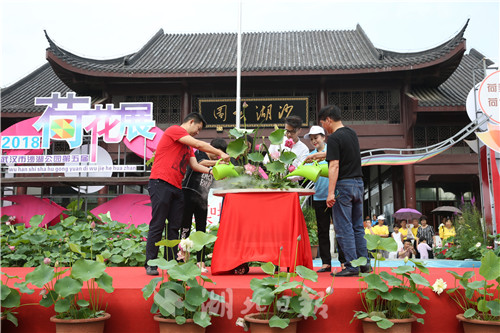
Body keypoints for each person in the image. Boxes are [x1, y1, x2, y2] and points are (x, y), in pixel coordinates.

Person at [145, 113, 230, 276]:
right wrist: (220, 153)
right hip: (160, 182)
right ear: (191, 122)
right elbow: (200, 144)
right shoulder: (174, 130)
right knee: (158, 223)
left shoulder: (187, 147)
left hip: (177, 187)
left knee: (175, 227)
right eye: (198, 129)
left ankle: (171, 263)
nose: (197, 133)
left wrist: (214, 172)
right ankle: (151, 263)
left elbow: (196, 166)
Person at [317, 104, 369, 276]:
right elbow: (341, 153)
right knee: (357, 226)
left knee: (343, 227)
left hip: (343, 186)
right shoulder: (351, 133)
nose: (323, 127)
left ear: (328, 120)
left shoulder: (333, 138)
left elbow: (334, 165)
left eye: (323, 123)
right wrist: (316, 155)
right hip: (358, 184)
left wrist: (330, 193)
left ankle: (351, 266)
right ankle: (363, 264)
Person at [180, 138, 228, 273]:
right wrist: (219, 162)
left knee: (201, 231)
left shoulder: (216, 166)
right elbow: (201, 163)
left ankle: (200, 263)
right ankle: (182, 259)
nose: (218, 156)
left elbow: (215, 182)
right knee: (185, 228)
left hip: (202, 199)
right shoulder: (200, 154)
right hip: (188, 194)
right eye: (217, 153)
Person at [305, 125, 333, 273]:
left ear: (323, 137)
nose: (314, 141)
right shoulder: (310, 156)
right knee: (323, 231)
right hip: (319, 197)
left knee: (340, 229)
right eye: (311, 139)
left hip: (335, 195)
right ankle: (326, 263)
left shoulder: (332, 150)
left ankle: (343, 262)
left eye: (316, 138)